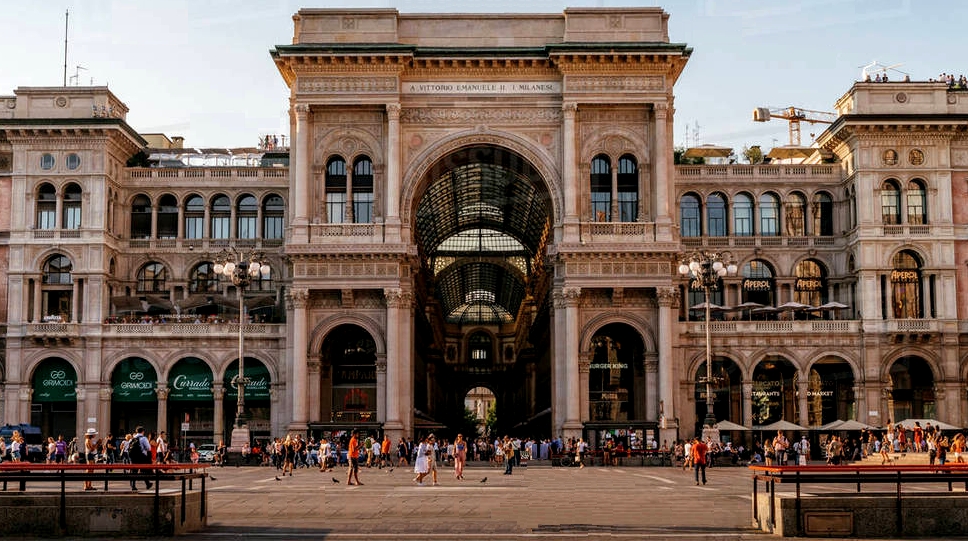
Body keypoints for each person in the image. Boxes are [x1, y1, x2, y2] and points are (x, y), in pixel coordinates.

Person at [128, 426, 153, 491]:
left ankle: (133, 486)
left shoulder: (132, 439)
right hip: (142, 457)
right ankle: (148, 484)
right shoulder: (143, 438)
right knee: (144, 471)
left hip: (133, 457)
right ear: (143, 431)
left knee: (134, 471)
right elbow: (148, 448)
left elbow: (129, 447)